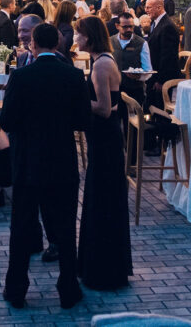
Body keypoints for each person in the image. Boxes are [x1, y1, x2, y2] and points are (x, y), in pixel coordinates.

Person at [0, 23, 91, 310]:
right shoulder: (74, 76)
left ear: (34, 45)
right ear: (57, 45)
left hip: (27, 161)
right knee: (65, 227)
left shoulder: (21, 76)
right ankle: (68, 287)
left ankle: (16, 288)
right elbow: (83, 122)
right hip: (62, 160)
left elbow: (7, 122)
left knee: (22, 226)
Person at [73, 16, 131, 291]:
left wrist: (76, 100)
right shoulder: (102, 60)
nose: (76, 39)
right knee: (101, 198)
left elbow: (104, 108)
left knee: (102, 198)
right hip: (103, 140)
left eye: (79, 35)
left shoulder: (101, 65)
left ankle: (102, 269)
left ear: (90, 37)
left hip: (105, 140)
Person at [144, 0, 180, 153]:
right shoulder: (155, 23)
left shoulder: (167, 27)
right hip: (154, 75)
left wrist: (161, 80)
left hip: (162, 78)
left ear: (159, 7)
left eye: (149, 7)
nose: (146, 10)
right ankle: (152, 142)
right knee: (152, 107)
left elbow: (168, 57)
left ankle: (162, 144)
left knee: (161, 110)